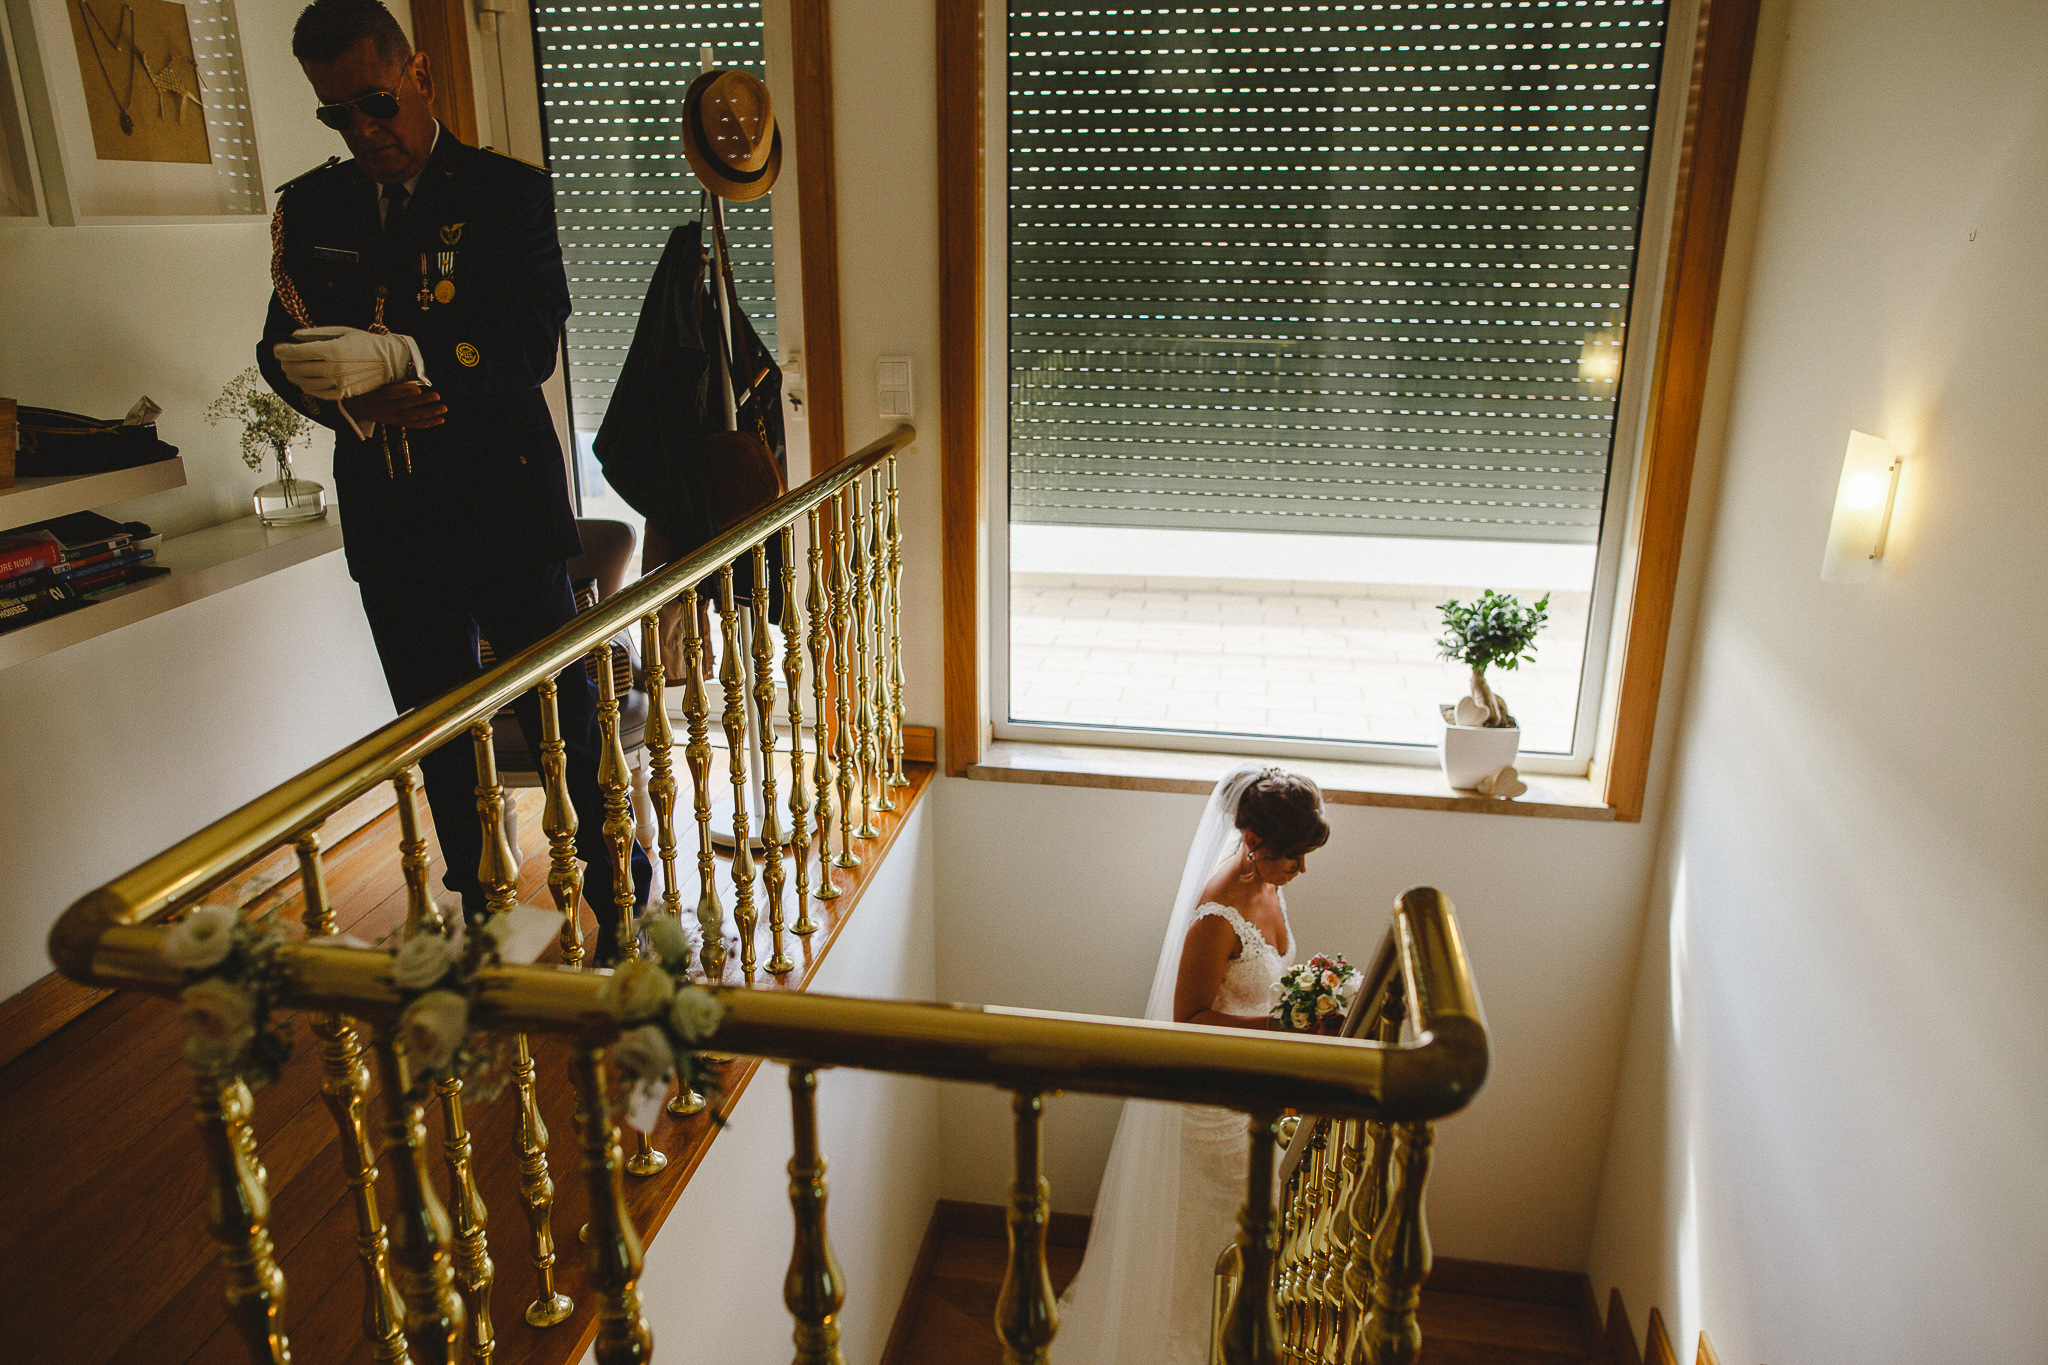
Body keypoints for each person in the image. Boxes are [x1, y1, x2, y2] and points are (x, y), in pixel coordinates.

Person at [257, 0, 645, 957]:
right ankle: (482, 919)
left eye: (376, 102)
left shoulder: (507, 192)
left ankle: (628, 905)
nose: (363, 130)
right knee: (439, 740)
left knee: (571, 728)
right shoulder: (313, 209)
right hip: (394, 526)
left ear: (421, 74)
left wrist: (405, 358)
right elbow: (277, 348)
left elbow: (528, 338)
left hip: (505, 513)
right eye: (336, 114)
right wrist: (350, 403)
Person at [1052, 764, 1330, 1365]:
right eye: (1291, 857)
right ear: (1254, 844)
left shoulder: (1270, 883)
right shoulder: (1215, 917)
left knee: (1232, 1231)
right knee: (1245, 1225)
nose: (1299, 870)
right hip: (1215, 1106)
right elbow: (1192, 1018)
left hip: (1254, 1086)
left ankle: (1220, 1337)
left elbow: (1265, 980)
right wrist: (1280, 1029)